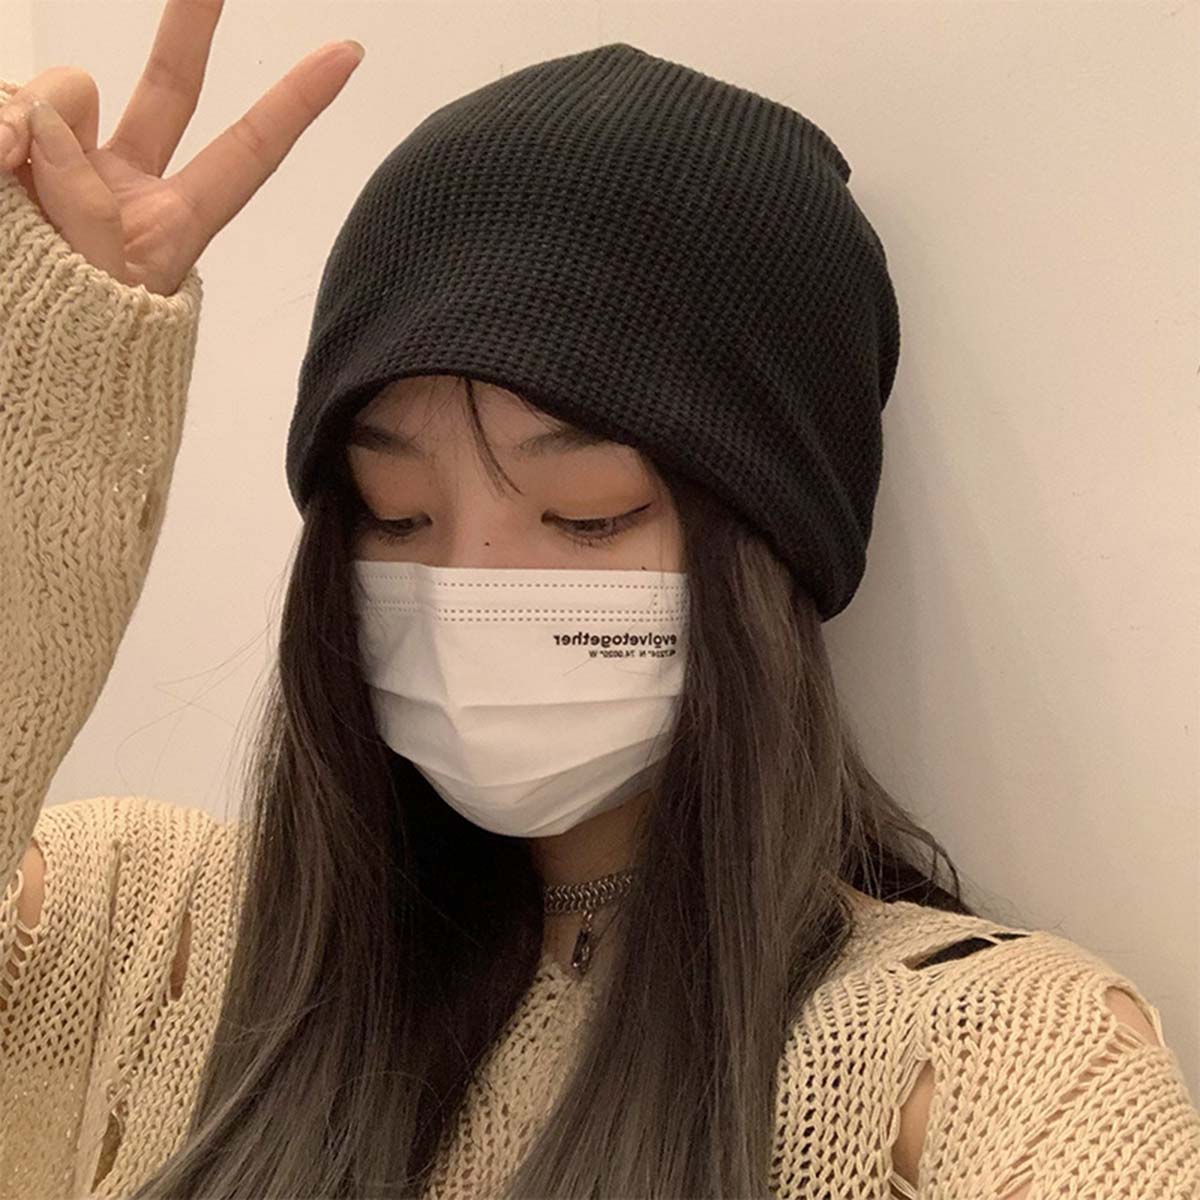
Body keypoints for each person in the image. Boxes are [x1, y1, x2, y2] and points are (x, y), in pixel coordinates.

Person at [0, 4, 1196, 1198]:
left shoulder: (996, 1071)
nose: (465, 593)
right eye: (394, 513)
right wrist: (37, 425)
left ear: (769, 552)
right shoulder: (132, 932)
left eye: (587, 514)